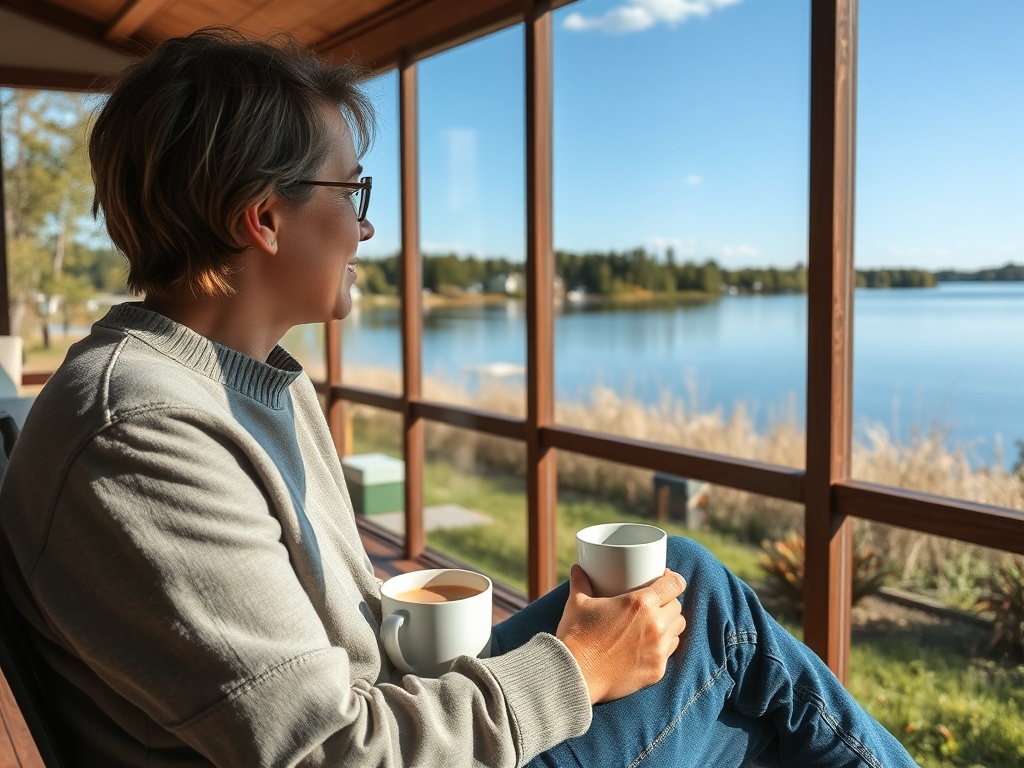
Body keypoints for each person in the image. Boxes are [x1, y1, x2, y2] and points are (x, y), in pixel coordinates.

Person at [0, 28, 919, 768]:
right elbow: (324, 751)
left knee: (682, 592)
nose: (365, 226)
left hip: (391, 717)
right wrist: (575, 667)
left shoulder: (241, 386)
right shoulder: (142, 428)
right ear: (264, 218)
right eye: (352, 190)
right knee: (708, 623)